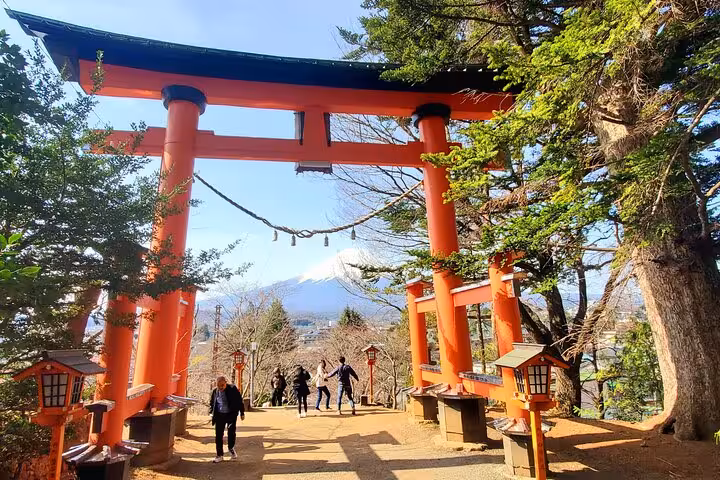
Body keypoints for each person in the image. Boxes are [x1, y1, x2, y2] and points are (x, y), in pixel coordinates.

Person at [209, 375, 245, 463]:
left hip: (231, 414)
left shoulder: (232, 389)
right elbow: (212, 402)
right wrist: (211, 412)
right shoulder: (215, 391)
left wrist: (242, 413)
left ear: (226, 383)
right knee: (218, 435)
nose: (220, 387)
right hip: (219, 415)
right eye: (218, 385)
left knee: (231, 432)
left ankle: (231, 448)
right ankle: (219, 454)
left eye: (222, 385)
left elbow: (239, 401)